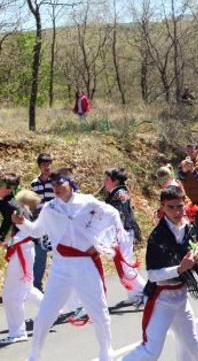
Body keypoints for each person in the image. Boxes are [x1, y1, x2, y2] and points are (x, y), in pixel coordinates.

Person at [11, 168, 124, 361]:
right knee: (45, 314)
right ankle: (34, 356)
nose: (56, 188)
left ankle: (106, 352)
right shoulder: (50, 208)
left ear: (70, 183)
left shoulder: (87, 202)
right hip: (61, 268)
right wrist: (21, 223)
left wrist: (100, 244)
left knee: (99, 310)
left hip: (85, 265)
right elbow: (37, 231)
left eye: (60, 184)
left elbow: (114, 216)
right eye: (53, 185)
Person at [123, 185, 198, 361]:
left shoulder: (189, 229)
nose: (176, 211)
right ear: (162, 207)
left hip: (181, 298)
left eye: (179, 206)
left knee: (192, 348)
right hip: (161, 300)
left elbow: (195, 261)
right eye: (171, 207)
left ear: (185, 204)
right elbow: (152, 275)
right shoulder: (157, 236)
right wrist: (179, 269)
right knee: (151, 351)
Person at [0, 174, 44, 345]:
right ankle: (51, 309)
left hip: (22, 251)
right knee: (26, 288)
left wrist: (9, 240)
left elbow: (25, 230)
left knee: (11, 295)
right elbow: (7, 224)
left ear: (9, 188)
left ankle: (18, 332)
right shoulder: (11, 202)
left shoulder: (13, 205)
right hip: (24, 250)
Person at [103, 168, 146, 305]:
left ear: (114, 181)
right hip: (121, 232)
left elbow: (120, 215)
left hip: (124, 232)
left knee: (126, 266)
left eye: (107, 179)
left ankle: (148, 292)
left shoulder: (120, 193)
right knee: (124, 266)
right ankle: (135, 295)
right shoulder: (116, 193)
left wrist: (115, 235)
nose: (104, 182)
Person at [30, 153, 54, 292]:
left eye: (49, 164)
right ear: (39, 166)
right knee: (40, 253)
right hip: (40, 222)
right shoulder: (34, 183)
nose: (47, 167)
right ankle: (36, 285)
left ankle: (60, 285)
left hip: (55, 221)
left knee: (58, 252)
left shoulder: (56, 181)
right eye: (44, 164)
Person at [178, 144, 198, 245]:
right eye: (187, 151)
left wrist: (193, 170)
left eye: (191, 151)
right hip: (187, 198)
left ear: (197, 151)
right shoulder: (183, 163)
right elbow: (179, 179)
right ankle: (188, 245)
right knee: (186, 223)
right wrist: (184, 171)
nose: (189, 154)